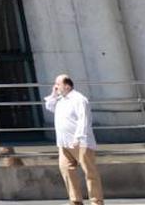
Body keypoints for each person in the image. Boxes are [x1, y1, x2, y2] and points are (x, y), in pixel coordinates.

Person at [44, 74, 103, 205]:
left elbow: (84, 120)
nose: (56, 86)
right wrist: (53, 93)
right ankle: (75, 200)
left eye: (58, 84)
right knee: (66, 170)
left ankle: (96, 201)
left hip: (80, 143)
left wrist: (79, 137)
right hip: (63, 143)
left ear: (67, 85)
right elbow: (49, 106)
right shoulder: (60, 100)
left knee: (90, 172)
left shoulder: (79, 99)